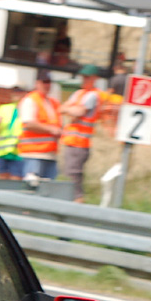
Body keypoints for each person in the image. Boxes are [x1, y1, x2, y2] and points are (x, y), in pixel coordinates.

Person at [60, 64, 104, 201]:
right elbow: (62, 108)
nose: (84, 80)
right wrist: (72, 111)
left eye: (88, 77)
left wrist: (72, 111)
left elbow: (79, 112)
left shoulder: (93, 95)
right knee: (69, 177)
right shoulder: (79, 93)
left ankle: (78, 205)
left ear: (94, 79)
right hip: (71, 142)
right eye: (83, 77)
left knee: (74, 181)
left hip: (80, 144)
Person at [16, 69, 61, 182]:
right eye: (44, 82)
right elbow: (28, 124)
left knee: (48, 189)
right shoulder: (31, 100)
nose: (47, 85)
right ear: (37, 83)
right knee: (32, 187)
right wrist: (51, 129)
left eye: (49, 82)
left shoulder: (53, 102)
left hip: (50, 154)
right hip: (33, 154)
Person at [0, 86, 26, 180]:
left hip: (18, 152)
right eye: (14, 91)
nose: (16, 94)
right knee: (3, 180)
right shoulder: (4, 108)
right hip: (3, 152)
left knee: (16, 179)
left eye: (19, 91)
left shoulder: (26, 109)